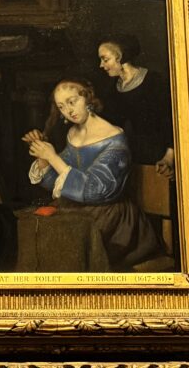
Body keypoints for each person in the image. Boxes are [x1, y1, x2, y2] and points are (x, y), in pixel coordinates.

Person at [22, 79, 160, 269]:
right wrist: (43, 158)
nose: (68, 111)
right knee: (38, 231)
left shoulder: (114, 140)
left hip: (111, 217)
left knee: (67, 244)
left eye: (72, 102)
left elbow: (96, 190)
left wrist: (53, 157)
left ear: (87, 97)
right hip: (77, 208)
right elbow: (57, 182)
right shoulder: (73, 133)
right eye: (61, 107)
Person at [96, 35, 175, 178]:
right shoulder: (113, 87)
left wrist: (169, 157)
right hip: (129, 159)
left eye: (105, 59)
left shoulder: (153, 81)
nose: (101, 65)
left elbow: (170, 121)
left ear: (120, 57)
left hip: (158, 158)